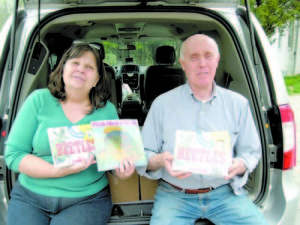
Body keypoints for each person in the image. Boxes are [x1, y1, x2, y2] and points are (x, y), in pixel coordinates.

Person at [137, 34, 268, 224]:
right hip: (175, 196)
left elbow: (251, 152)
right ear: (183, 64)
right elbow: (142, 155)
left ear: (217, 59)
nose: (202, 63)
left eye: (208, 55)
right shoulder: (162, 104)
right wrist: (160, 160)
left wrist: (240, 164)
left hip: (225, 194)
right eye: (194, 57)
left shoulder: (238, 104)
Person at [5, 42, 135, 225]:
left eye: (89, 67)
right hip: (30, 197)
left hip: (87, 200)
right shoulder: (38, 100)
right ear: (63, 68)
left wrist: (122, 172)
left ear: (97, 79)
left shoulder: (107, 111)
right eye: (75, 63)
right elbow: (14, 155)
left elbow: (114, 161)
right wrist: (55, 170)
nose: (81, 69)